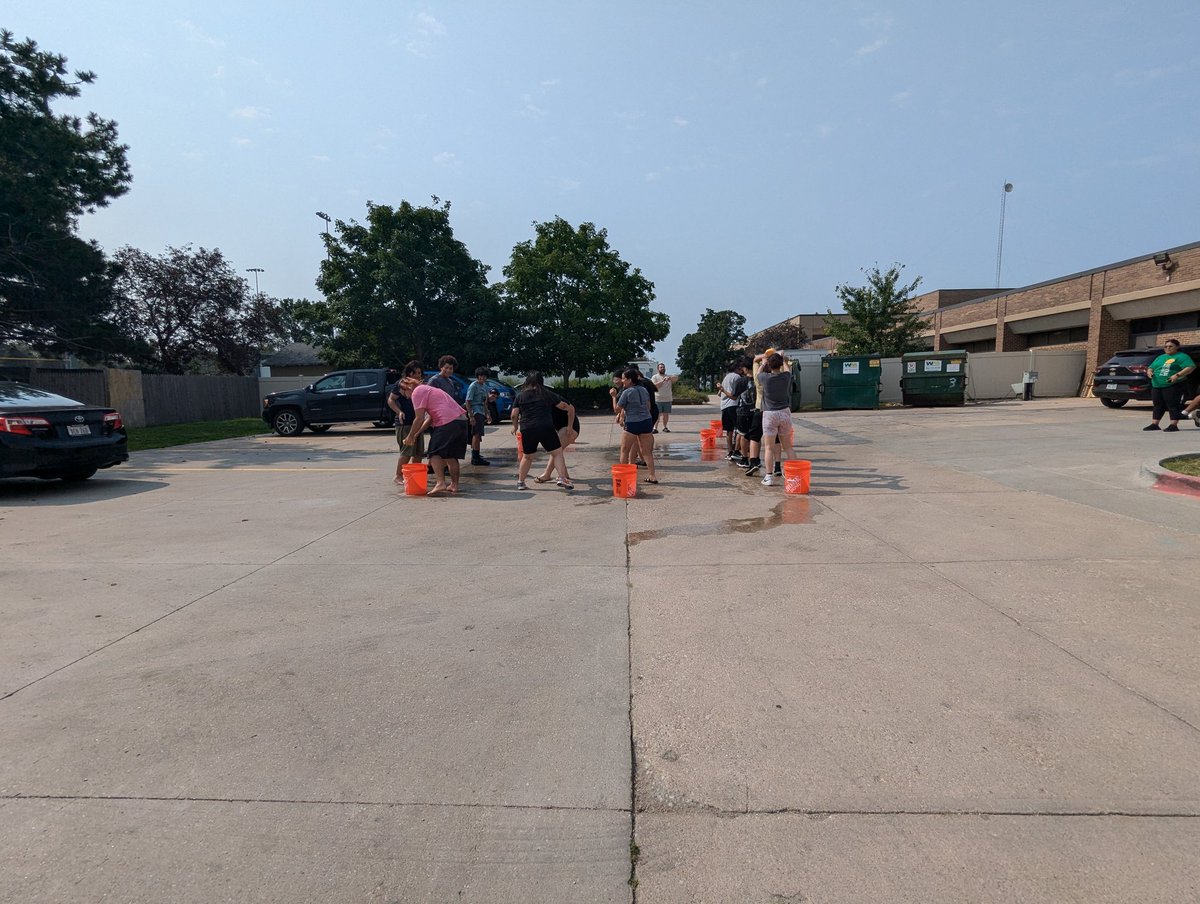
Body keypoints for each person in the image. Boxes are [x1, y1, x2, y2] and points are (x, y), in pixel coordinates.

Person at [396, 376, 469, 495]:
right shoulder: (429, 389)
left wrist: (410, 436)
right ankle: (454, 485)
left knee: (434, 453)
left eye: (404, 393)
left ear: (407, 388)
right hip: (461, 421)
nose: (406, 397)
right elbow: (430, 418)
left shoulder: (417, 392)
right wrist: (417, 433)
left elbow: (419, 418)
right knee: (450, 456)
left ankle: (440, 483)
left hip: (447, 421)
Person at [511, 372, 576, 491]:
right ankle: (561, 478)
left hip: (527, 428)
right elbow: (563, 406)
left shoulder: (520, 396)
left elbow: (514, 415)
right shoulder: (546, 393)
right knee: (557, 453)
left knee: (527, 456)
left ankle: (521, 482)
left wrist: (515, 427)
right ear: (541, 382)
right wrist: (567, 408)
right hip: (545, 427)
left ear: (527, 382)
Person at [612, 367, 658, 484]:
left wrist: (613, 396)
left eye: (623, 379)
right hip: (647, 421)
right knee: (647, 452)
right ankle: (652, 476)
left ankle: (624, 477)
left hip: (632, 423)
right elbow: (648, 406)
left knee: (624, 451)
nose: (622, 381)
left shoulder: (626, 392)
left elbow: (617, 409)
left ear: (630, 380)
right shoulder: (643, 390)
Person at [756, 351, 795, 486]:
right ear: (780, 364)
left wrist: (764, 362)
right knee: (788, 447)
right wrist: (783, 358)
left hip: (770, 414)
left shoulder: (765, 378)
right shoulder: (786, 377)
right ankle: (794, 475)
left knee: (769, 448)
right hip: (784, 412)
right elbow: (787, 368)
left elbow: (758, 373)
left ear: (769, 365)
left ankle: (768, 476)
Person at [1144, 339, 1195, 432]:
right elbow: (1151, 367)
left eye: (1170, 346)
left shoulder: (1182, 356)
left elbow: (1190, 367)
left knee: (1172, 404)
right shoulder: (1160, 357)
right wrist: (1150, 372)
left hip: (1173, 384)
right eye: (1166, 346)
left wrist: (1177, 375)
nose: (1168, 348)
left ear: (1177, 347)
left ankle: (1173, 425)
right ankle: (1155, 424)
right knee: (1157, 405)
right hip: (1157, 384)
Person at [388, 360, 425, 485]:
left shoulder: (418, 385)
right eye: (416, 373)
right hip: (404, 423)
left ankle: (414, 475)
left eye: (420, 373)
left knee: (418, 452)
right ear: (409, 373)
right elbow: (391, 400)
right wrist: (399, 412)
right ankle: (398, 475)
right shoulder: (402, 384)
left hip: (417, 422)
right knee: (407, 451)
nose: (418, 375)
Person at [535, 401, 582, 487]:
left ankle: (547, 474)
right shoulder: (540, 404)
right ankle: (565, 474)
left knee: (556, 450)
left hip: (569, 428)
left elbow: (571, 409)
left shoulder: (553, 399)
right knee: (558, 451)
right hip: (561, 428)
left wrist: (570, 426)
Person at [716, 358, 748, 459]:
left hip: (724, 406)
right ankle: (737, 451)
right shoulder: (737, 377)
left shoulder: (726, 377)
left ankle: (730, 452)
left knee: (729, 430)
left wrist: (722, 390)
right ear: (739, 368)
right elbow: (735, 394)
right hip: (734, 405)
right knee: (739, 430)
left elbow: (719, 393)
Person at [464, 368, 491, 466]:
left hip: (481, 412)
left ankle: (477, 454)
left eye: (484, 376)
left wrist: (488, 413)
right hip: (475, 412)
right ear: (477, 376)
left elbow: (484, 402)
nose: (482, 378)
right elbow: (468, 401)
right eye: (481, 376)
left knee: (478, 435)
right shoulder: (473, 386)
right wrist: (471, 416)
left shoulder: (484, 386)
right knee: (476, 434)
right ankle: (475, 458)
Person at [651, 363, 679, 433]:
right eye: (661, 367)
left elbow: (676, 378)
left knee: (666, 414)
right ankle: (655, 428)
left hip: (667, 399)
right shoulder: (655, 377)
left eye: (663, 367)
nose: (662, 368)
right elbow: (654, 386)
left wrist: (669, 378)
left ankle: (665, 427)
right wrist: (662, 381)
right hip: (658, 399)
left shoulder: (668, 377)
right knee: (657, 415)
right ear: (658, 369)